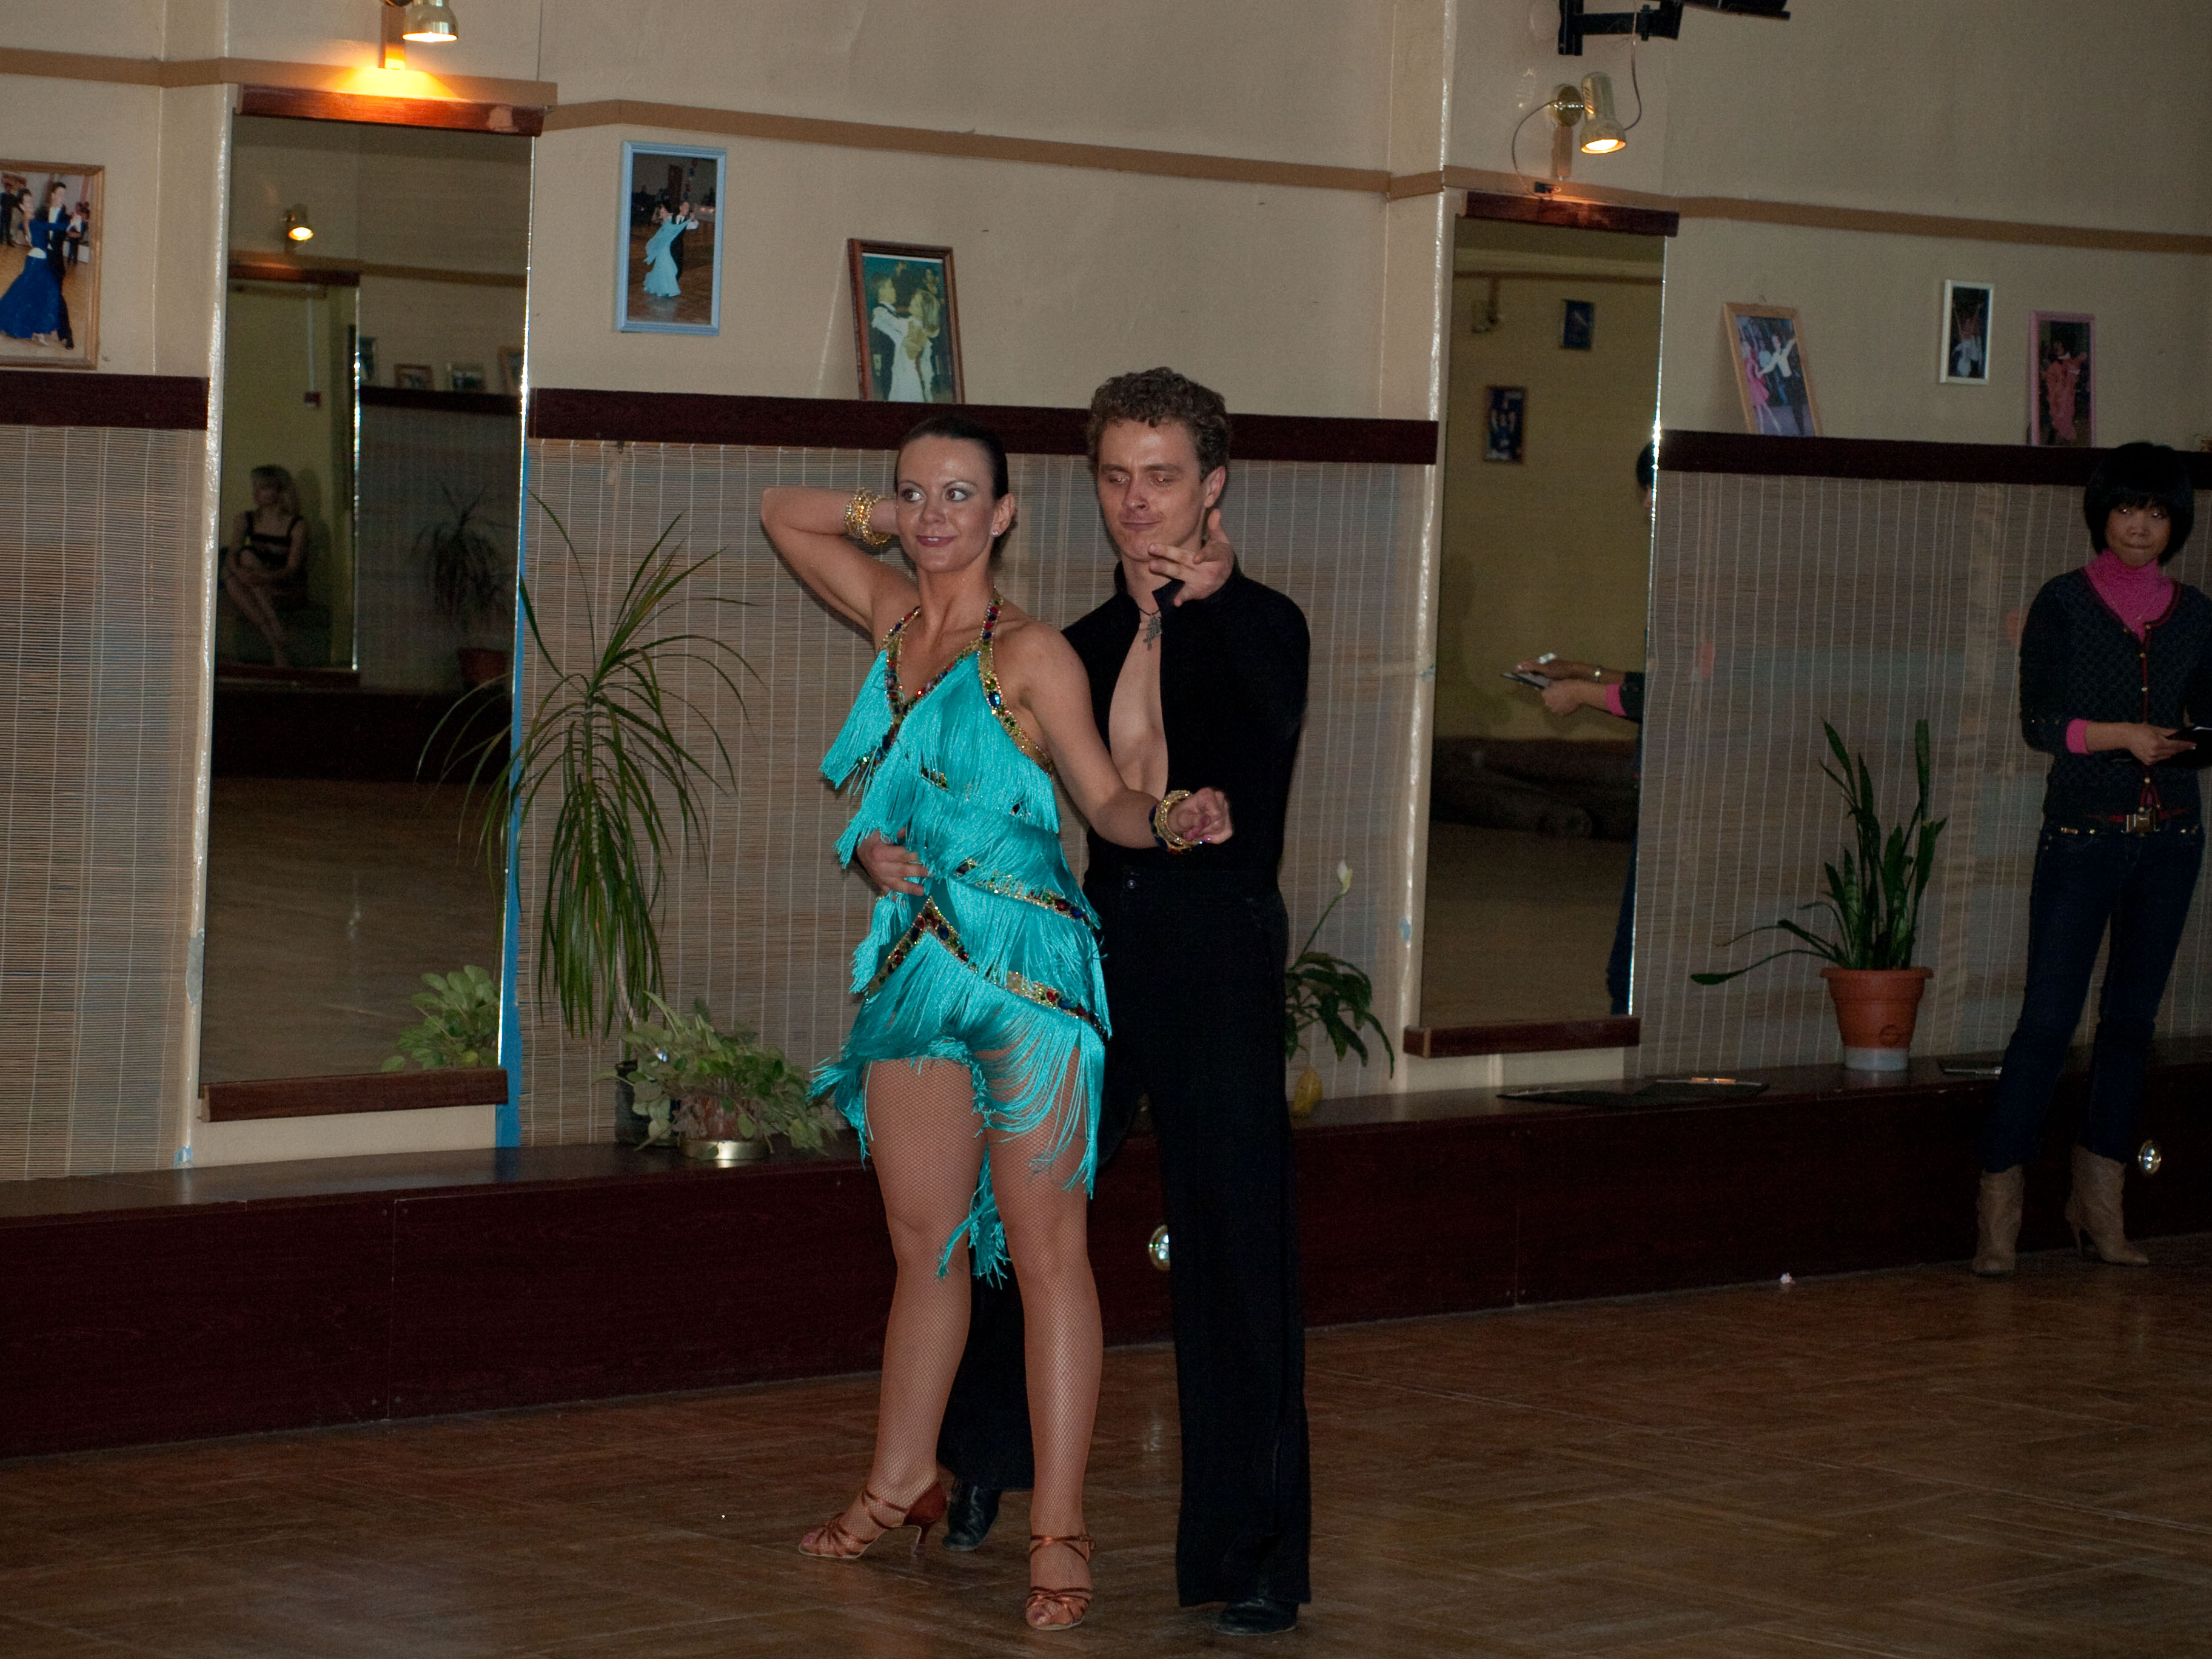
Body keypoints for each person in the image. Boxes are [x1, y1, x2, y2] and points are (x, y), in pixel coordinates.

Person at [760, 414, 1234, 1632]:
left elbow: (1106, 801)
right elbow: (780, 513)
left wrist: (1167, 819)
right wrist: (869, 849)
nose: (932, 515)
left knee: (1045, 1250)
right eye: (914, 494)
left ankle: (1060, 1525)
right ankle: (899, 1477)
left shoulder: (1030, 654)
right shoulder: (892, 621)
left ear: (1007, 513)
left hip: (1030, 970)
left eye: (961, 495)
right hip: (916, 968)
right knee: (923, 1243)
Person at [863, 367, 1314, 1636]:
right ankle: (975, 1465)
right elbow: (1041, 805)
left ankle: (1252, 1555)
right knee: (1019, 1226)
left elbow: (1223, 745)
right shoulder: (1077, 643)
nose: (1135, 499)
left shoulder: (1265, 627)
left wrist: (1190, 610)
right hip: (1090, 956)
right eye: (1115, 476)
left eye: (1161, 476)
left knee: (1235, 1252)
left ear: (1213, 484)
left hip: (1217, 962)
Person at [1973, 441, 2212, 1277]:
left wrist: (2185, 741)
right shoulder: (2063, 603)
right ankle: (1999, 1212)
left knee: (2131, 1025)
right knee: (2046, 1022)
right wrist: (2123, 737)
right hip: (2081, 838)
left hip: (2172, 840)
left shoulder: (2197, 613)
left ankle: (2100, 1206)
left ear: (2177, 523)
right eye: (2126, 509)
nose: (2141, 526)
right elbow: (2041, 725)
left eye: (2157, 512)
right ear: (2102, 515)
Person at [221, 466, 309, 668]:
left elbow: (293, 567)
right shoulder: (246, 519)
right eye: (255, 487)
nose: (255, 493)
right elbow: (232, 555)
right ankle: (275, 639)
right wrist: (242, 573)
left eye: (262, 488)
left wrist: (264, 578)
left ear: (279, 490)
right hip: (256, 583)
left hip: (283, 583)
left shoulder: (297, 524)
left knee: (246, 557)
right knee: (235, 572)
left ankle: (275, 634)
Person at [0, 181, 72, 348]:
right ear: (21, 206)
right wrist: (72, 223)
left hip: (38, 260)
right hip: (37, 262)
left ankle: (38, 329)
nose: (31, 204)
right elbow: (52, 226)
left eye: (31, 201)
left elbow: (28, 227)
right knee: (42, 293)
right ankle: (37, 329)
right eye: (27, 202)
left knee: (30, 293)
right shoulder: (33, 221)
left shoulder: (28, 221)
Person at [639, 203, 694, 301]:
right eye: (663, 212)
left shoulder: (668, 220)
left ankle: (663, 288)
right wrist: (689, 220)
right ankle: (665, 289)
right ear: (661, 216)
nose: (665, 212)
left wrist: (686, 216)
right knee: (669, 269)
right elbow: (677, 229)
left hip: (666, 250)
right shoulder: (666, 224)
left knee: (665, 269)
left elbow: (673, 216)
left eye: (665, 210)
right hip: (664, 251)